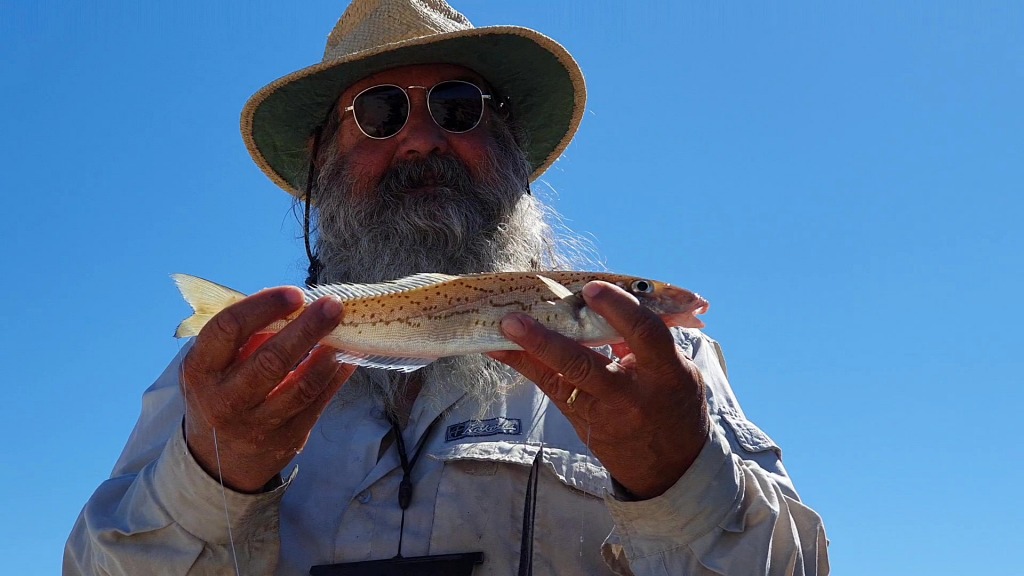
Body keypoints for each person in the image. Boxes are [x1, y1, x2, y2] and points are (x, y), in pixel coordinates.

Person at [65, 1, 830, 574]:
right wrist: (208, 477)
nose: (422, 137)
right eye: (379, 112)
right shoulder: (220, 378)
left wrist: (679, 475)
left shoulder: (667, 367)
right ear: (321, 163)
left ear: (512, 150)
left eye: (459, 108)